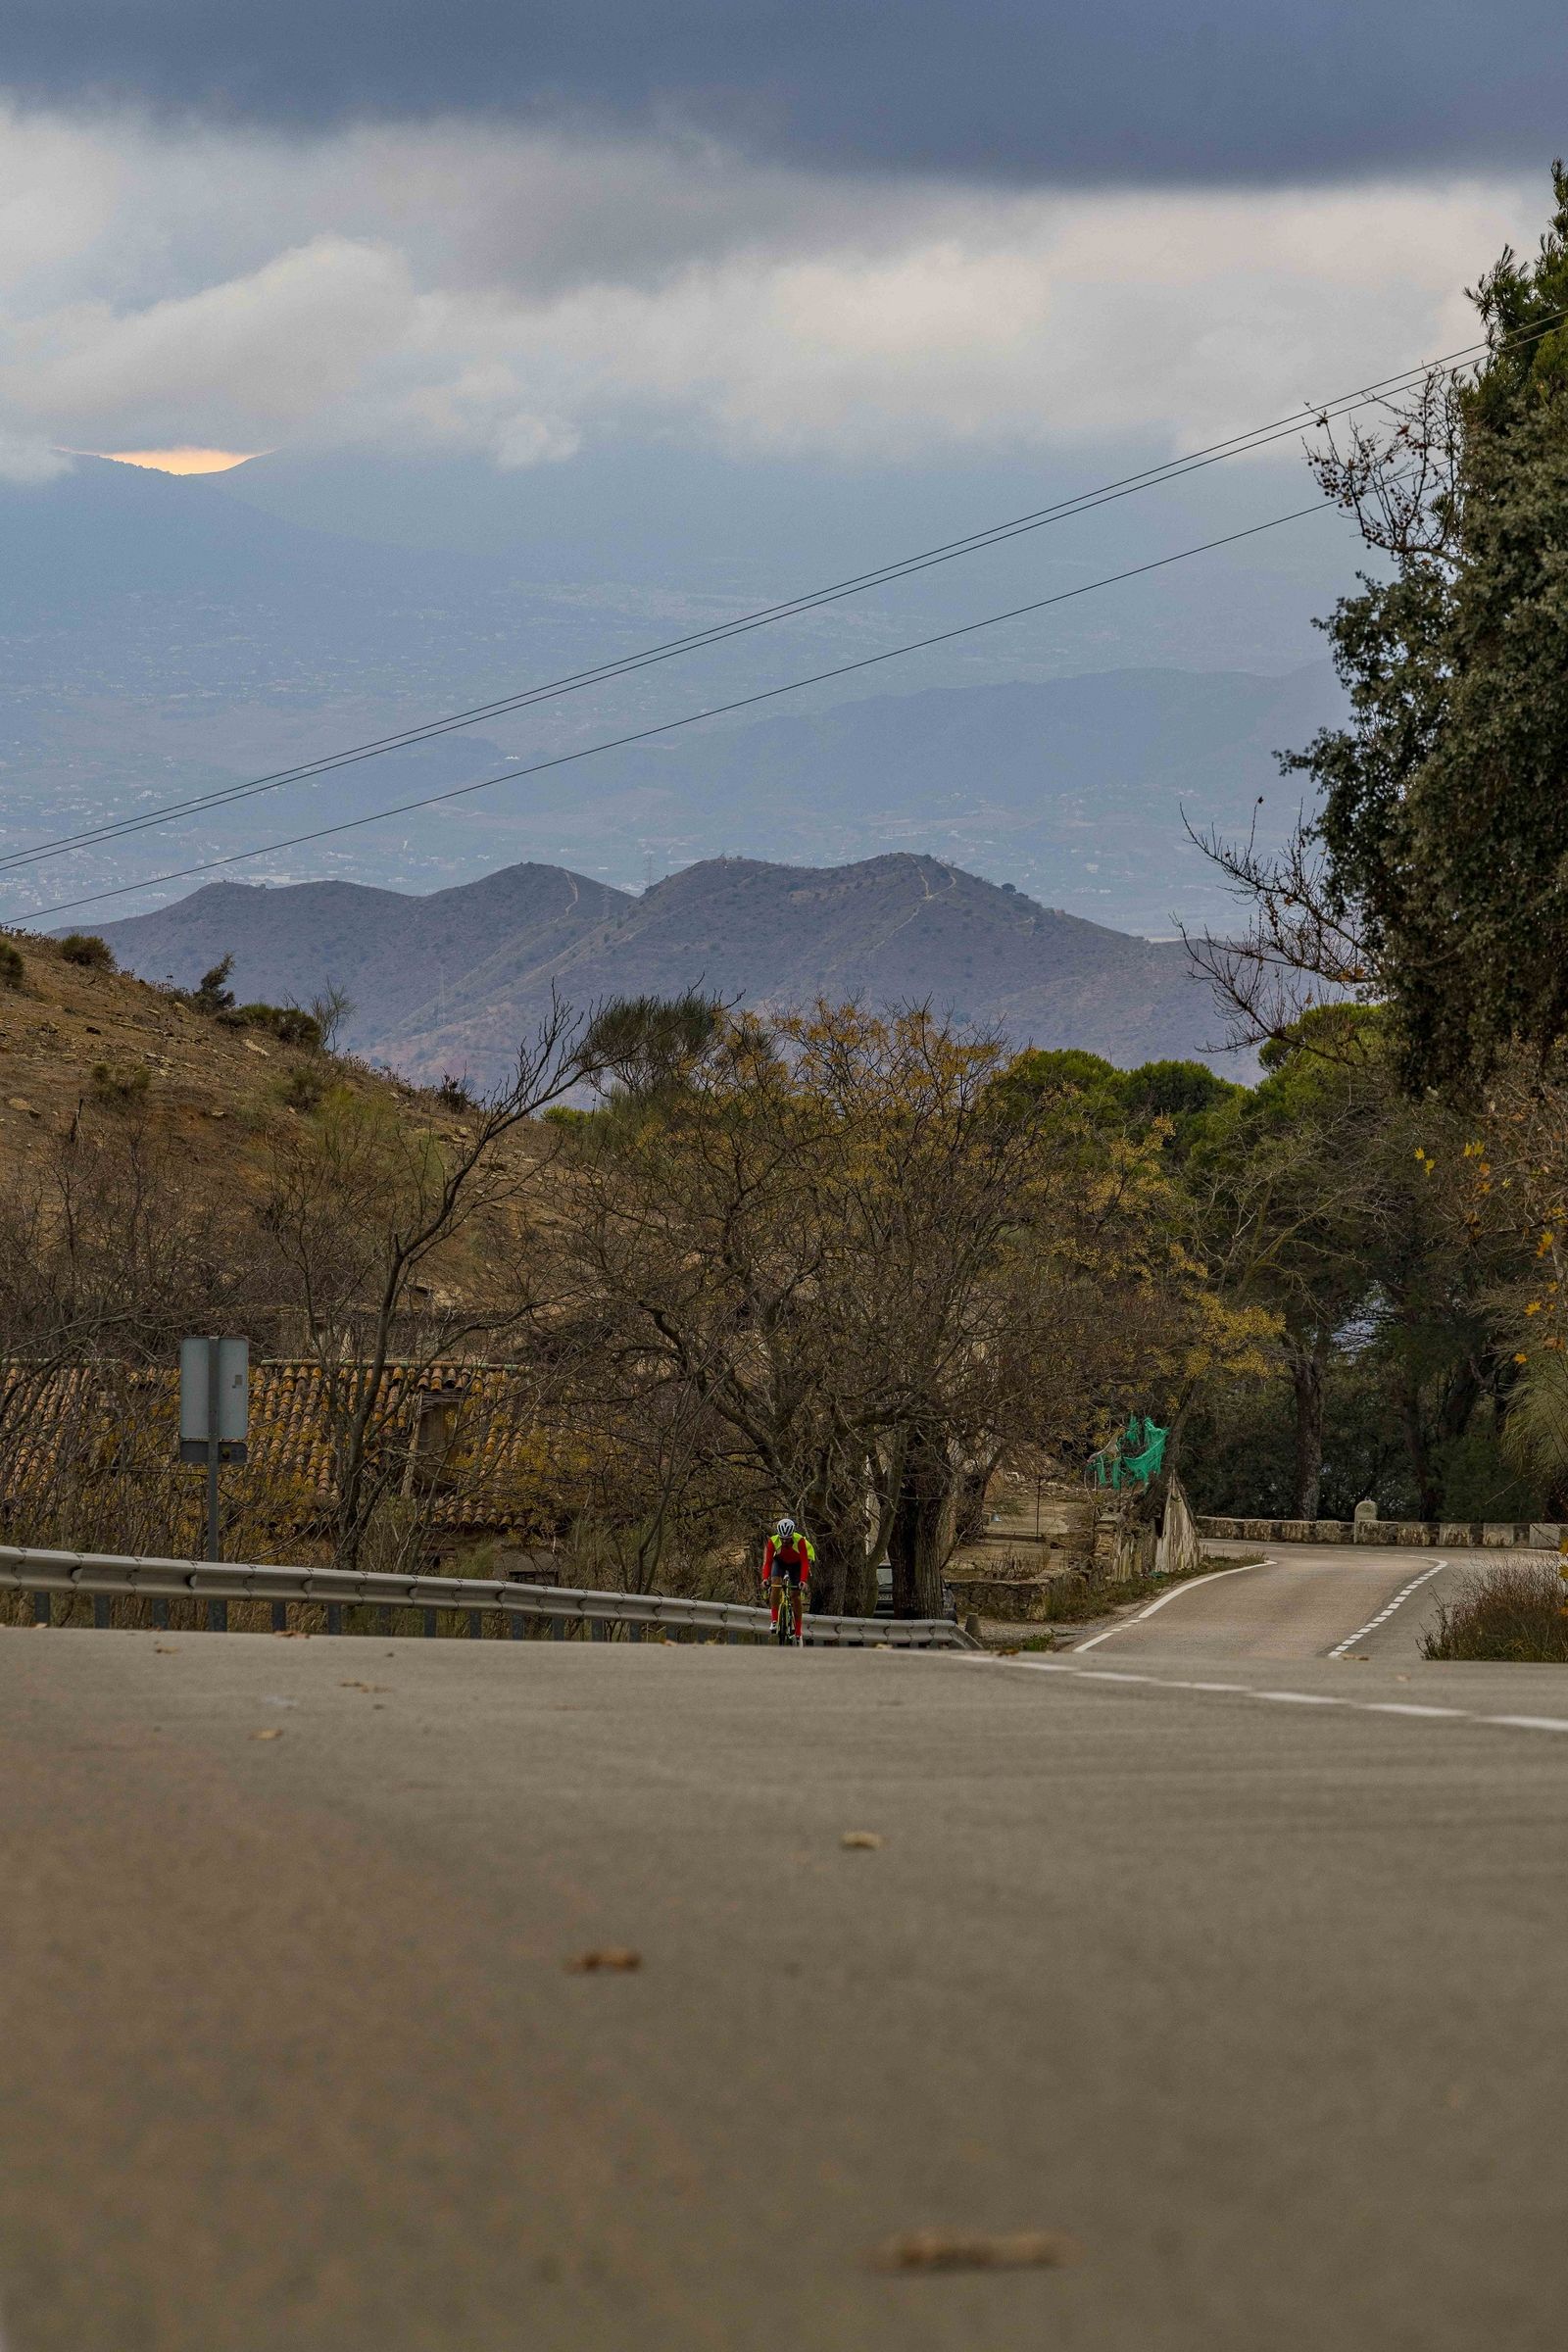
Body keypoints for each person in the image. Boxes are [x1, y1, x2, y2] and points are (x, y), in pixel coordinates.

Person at [761, 1516, 813, 1644]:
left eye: (788, 1539)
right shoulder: (773, 1541)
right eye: (782, 1539)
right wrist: (764, 1579)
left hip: (797, 1564)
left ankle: (798, 1631)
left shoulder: (799, 1541)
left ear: (792, 1535)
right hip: (780, 1562)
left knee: (795, 1596)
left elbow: (804, 1562)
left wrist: (803, 1580)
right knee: (775, 1585)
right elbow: (768, 1563)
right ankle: (774, 1621)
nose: (785, 1542)